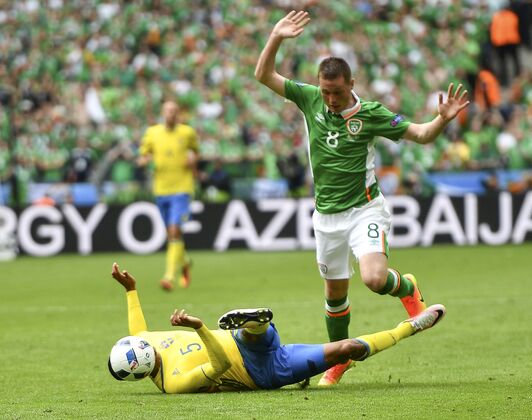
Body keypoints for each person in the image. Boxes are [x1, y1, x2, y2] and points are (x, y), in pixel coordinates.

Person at [254, 10, 469, 386]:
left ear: (352, 83)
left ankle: (407, 286)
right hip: (326, 218)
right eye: (325, 91)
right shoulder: (310, 100)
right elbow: (263, 76)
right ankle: (339, 360)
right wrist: (275, 36)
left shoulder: (370, 114)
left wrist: (443, 121)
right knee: (335, 295)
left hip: (364, 210)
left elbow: (420, 134)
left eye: (336, 92)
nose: (330, 99)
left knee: (372, 278)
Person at [108, 263, 446, 393]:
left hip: (248, 342)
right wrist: (199, 328)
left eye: (143, 344)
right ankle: (410, 327)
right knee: (347, 350)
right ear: (144, 369)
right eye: (145, 351)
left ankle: (254, 323)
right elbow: (221, 366)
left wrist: (131, 290)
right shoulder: (175, 383)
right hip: (264, 370)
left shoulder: (142, 343)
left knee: (250, 330)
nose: (147, 344)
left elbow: (138, 330)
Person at [137, 101, 199, 290]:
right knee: (172, 235)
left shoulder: (187, 132)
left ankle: (169, 276)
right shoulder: (152, 133)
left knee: (173, 230)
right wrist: (145, 161)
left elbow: (196, 153)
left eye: (174, 111)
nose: (171, 114)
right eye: (168, 111)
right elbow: (143, 156)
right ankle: (185, 261)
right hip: (161, 189)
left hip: (182, 188)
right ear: (162, 113)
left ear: (178, 113)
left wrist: (192, 160)